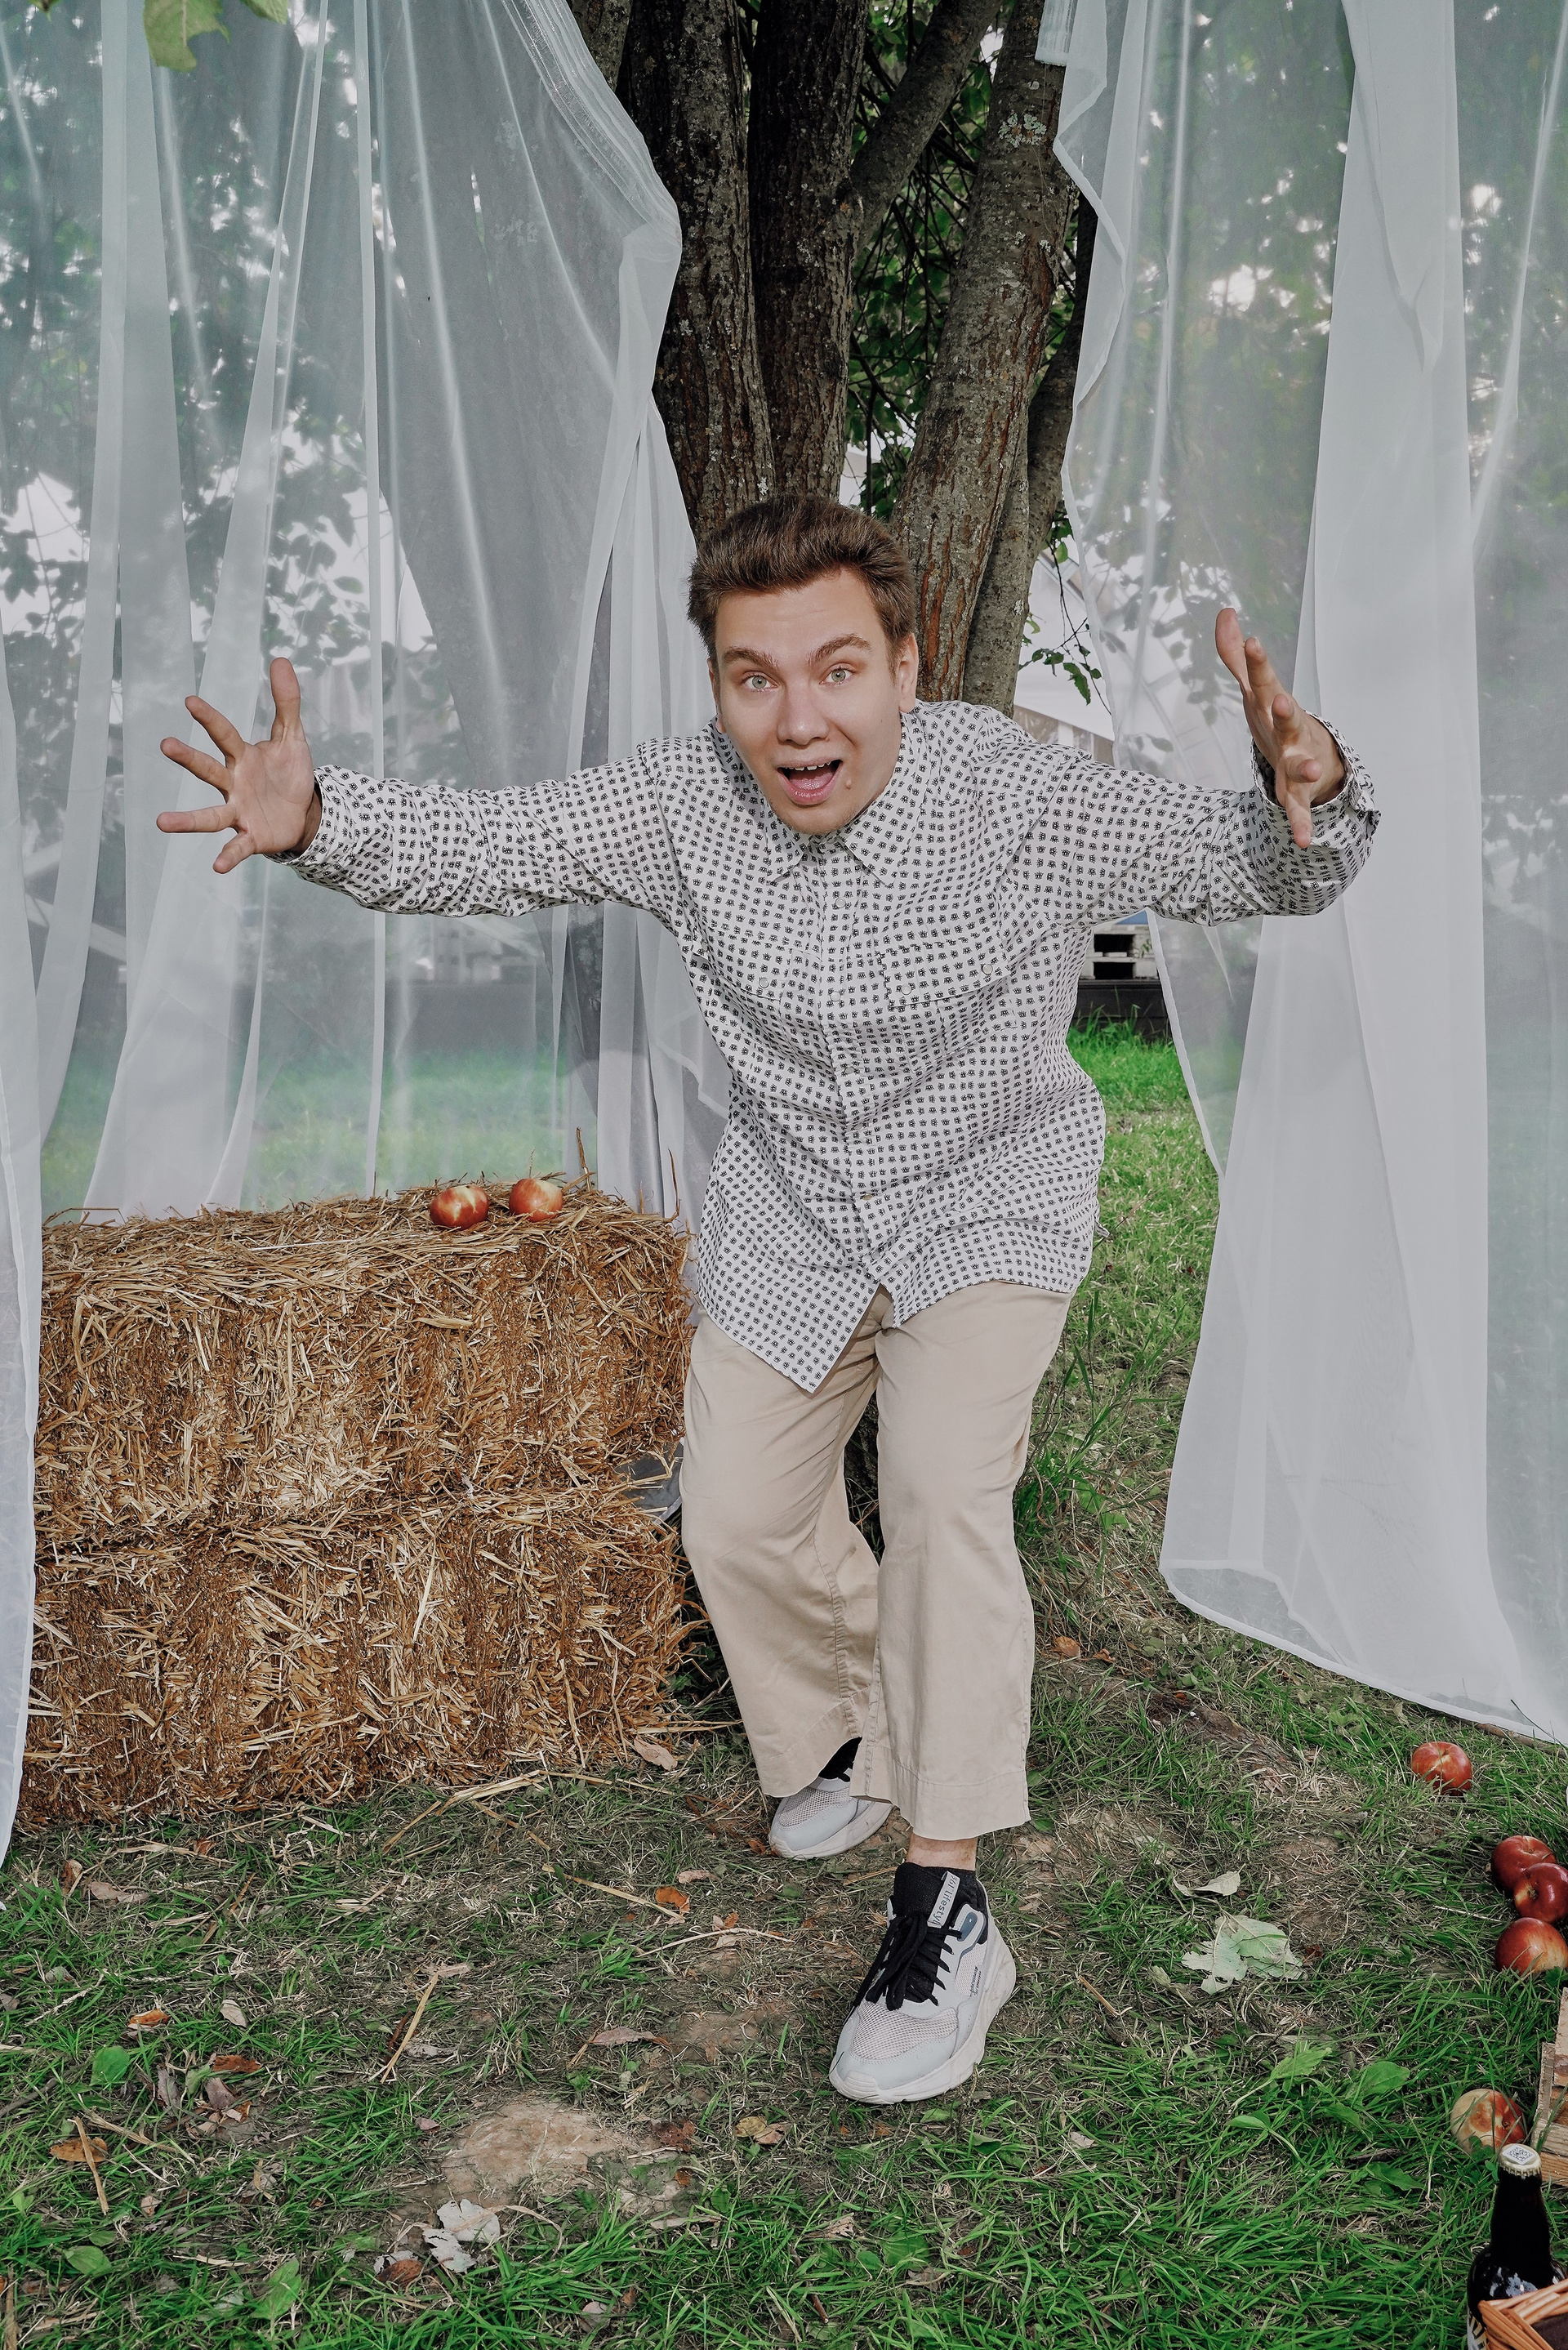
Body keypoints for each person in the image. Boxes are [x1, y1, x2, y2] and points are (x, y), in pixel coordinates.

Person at [158, 493, 1376, 2107]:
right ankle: (865, 1729)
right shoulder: (684, 802)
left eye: (838, 669)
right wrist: (318, 821)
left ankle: (946, 1907)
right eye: (755, 677)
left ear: (907, 666)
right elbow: (491, 844)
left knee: (940, 1493)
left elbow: (1252, 865)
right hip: (796, 1211)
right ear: (721, 687)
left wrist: (1316, 794)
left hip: (986, 1196)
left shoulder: (1016, 792)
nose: (799, 719)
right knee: (733, 1513)